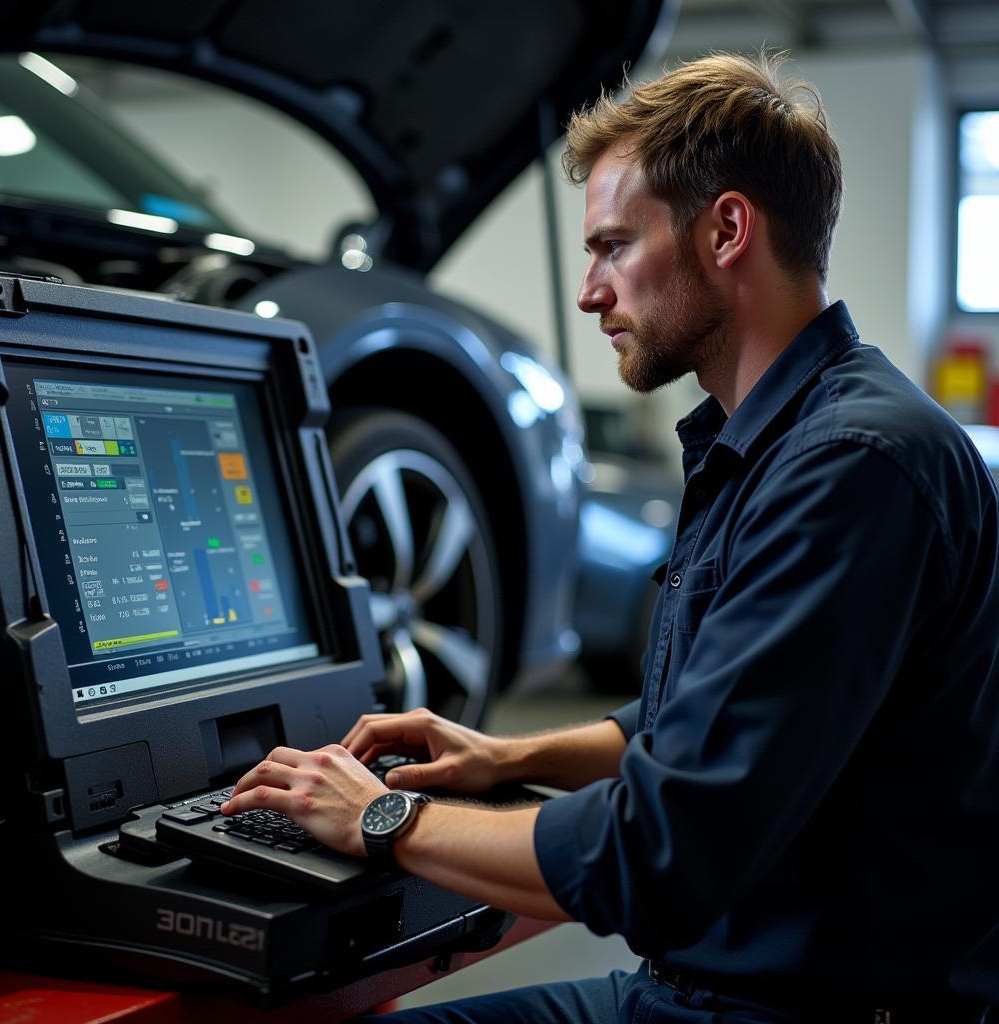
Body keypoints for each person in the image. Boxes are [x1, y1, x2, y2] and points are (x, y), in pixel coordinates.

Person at [220, 51, 999, 1023]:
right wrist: (501, 758)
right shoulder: (780, 440)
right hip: (714, 988)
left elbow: (660, 853)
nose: (589, 291)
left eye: (613, 246)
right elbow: (713, 718)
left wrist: (382, 816)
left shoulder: (852, 466)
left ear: (725, 229)